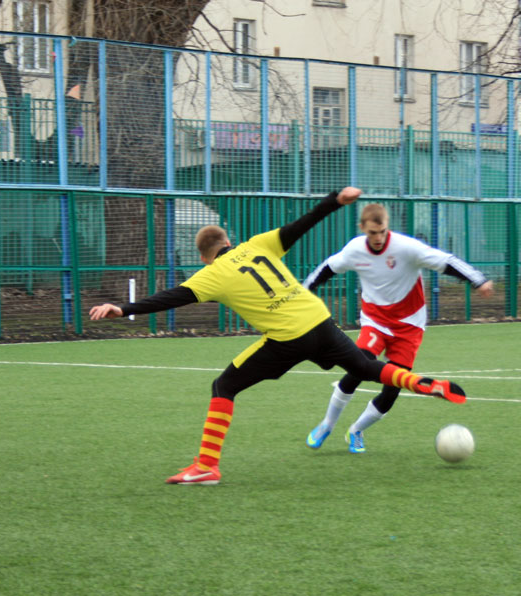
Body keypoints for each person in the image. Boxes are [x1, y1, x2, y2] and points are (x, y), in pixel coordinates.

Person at [89, 188, 467, 485]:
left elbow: (172, 297)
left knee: (224, 385)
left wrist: (123, 308)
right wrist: (335, 200)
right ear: (228, 240)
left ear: (204, 256)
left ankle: (206, 466)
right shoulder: (257, 244)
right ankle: (421, 383)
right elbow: (302, 224)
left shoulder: (211, 274)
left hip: (288, 336)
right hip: (320, 319)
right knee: (366, 367)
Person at [304, 202, 493, 454]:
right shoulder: (355, 250)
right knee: (359, 365)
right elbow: (327, 268)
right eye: (373, 233)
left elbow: (445, 261)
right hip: (375, 320)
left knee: (393, 388)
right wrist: (304, 291)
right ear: (362, 228)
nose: (378, 238)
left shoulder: (406, 247)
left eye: (382, 232)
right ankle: (327, 424)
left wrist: (477, 280)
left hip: (410, 325)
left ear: (387, 227)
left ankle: (356, 430)